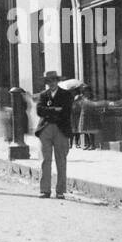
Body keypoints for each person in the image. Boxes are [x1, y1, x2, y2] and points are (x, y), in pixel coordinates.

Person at [36, 71, 74, 199]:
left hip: (61, 129)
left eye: (53, 80)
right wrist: (55, 110)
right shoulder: (43, 95)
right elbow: (39, 111)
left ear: (57, 81)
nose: (51, 83)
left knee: (61, 160)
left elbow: (66, 111)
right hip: (45, 129)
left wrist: (49, 112)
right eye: (48, 81)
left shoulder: (66, 95)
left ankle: (60, 190)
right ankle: (45, 190)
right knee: (45, 160)